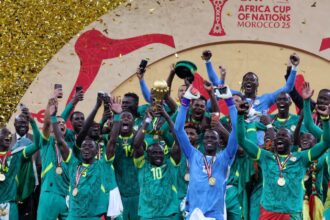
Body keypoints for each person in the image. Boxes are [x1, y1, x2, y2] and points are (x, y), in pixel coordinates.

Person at [236, 98, 330, 219]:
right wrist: (239, 116)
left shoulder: (302, 158)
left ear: (292, 141)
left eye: (284, 135)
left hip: (292, 213)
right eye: (277, 136)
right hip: (269, 213)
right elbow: (242, 140)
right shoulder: (265, 156)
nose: (279, 137)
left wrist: (326, 120)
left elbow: (326, 142)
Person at [174, 84, 238, 219]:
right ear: (203, 141)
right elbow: (178, 129)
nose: (209, 139)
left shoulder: (224, 158)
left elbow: (236, 134)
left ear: (218, 141)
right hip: (194, 214)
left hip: (215, 216)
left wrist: (230, 102)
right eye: (207, 137)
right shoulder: (193, 155)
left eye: (213, 137)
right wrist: (185, 101)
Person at [50, 96, 118, 219]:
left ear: (97, 150)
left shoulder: (102, 164)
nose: (86, 148)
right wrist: (53, 117)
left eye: (90, 147)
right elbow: (60, 141)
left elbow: (112, 141)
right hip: (74, 216)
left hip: (92, 216)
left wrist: (117, 116)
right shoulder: (73, 164)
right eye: (84, 147)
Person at [133, 105, 181, 219]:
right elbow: (136, 145)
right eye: (154, 153)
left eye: (160, 153)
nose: (158, 155)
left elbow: (179, 142)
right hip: (147, 214)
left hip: (169, 214)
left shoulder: (171, 163)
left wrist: (167, 117)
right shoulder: (142, 164)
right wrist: (146, 121)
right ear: (147, 155)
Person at [0, 127, 39, 220]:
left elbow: (38, 144)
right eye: (4, 133)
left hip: (11, 205)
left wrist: (33, 123)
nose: (8, 135)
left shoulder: (16, 155)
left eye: (9, 134)